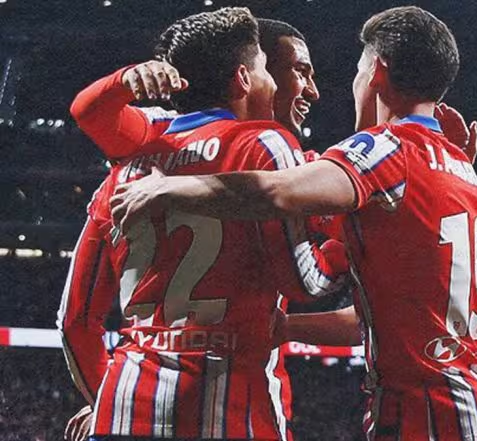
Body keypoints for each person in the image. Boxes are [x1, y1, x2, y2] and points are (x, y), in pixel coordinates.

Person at [110, 6, 477, 440]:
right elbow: (369, 319)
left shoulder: (386, 150)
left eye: (358, 71)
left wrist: (170, 188)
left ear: (376, 71)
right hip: (461, 395)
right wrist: (284, 328)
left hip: (426, 404)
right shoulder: (459, 165)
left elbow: (277, 192)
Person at [57, 8, 350, 440]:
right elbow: (305, 282)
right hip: (231, 409)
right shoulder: (269, 150)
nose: (309, 90)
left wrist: (107, 401)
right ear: (244, 77)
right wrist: (348, 248)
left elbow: (75, 320)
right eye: (274, 70)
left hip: (125, 407)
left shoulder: (127, 167)